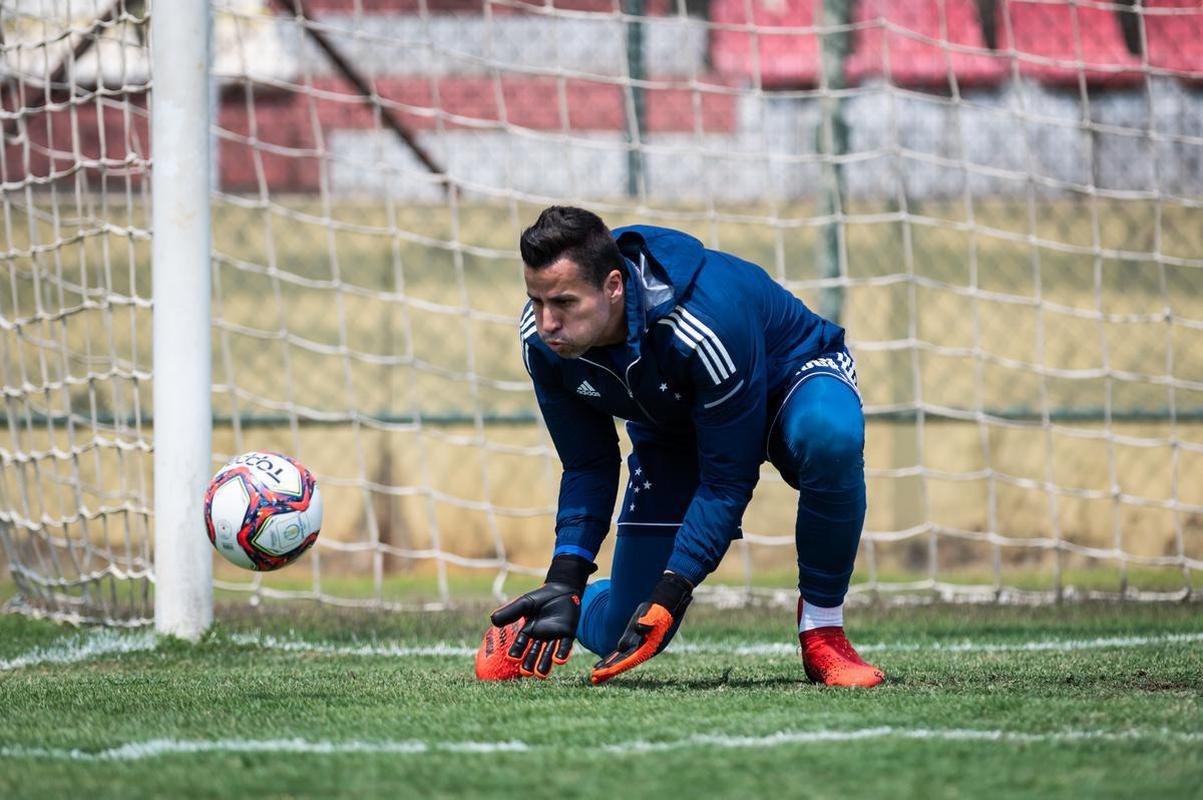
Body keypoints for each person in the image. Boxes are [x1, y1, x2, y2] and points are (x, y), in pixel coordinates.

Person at [474, 206, 883, 688]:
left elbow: (727, 480)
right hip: (675, 422)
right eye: (536, 301)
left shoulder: (702, 323)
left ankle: (823, 634)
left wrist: (675, 586)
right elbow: (588, 463)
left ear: (613, 286)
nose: (547, 322)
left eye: (563, 302)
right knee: (622, 630)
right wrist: (567, 579)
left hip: (787, 382)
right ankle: (567, 610)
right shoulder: (542, 341)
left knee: (829, 436)